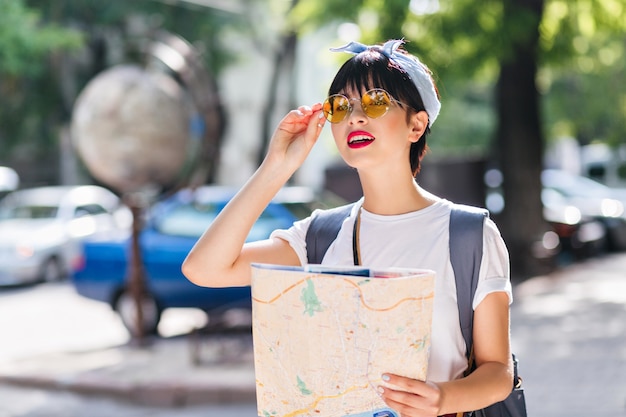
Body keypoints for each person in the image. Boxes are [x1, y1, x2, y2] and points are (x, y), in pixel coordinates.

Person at [182, 39, 513, 417]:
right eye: (341, 106)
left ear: (416, 125)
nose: (355, 117)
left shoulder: (468, 234)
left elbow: (498, 371)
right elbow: (203, 268)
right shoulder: (319, 236)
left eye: (375, 101)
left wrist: (444, 398)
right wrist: (277, 166)